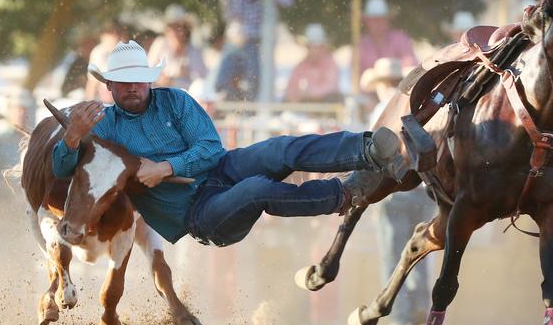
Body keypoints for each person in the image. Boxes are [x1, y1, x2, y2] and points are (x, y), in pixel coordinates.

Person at [52, 40, 404, 248]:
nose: (133, 88)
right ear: (109, 86)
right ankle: (343, 195)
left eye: (139, 81)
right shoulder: (103, 129)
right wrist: (71, 137)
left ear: (149, 81)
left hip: (221, 169)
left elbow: (211, 149)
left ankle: (368, 149)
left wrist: (167, 167)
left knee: (279, 148)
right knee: (256, 189)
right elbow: (64, 169)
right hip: (199, 215)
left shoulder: (175, 100)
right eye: (124, 82)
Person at [363, 57, 436, 325]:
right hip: (421, 189)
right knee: (419, 252)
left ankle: (401, 315)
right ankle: (420, 310)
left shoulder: (382, 113)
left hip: (391, 190)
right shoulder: (419, 108)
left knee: (393, 254)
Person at [215, 0, 294, 101]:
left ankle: (246, 110)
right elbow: (232, 18)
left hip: (252, 44)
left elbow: (288, 1)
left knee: (252, 83)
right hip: (233, 44)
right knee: (222, 80)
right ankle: (230, 105)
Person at [148, 4, 208, 90]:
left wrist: (176, 80)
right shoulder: (160, 44)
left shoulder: (194, 51)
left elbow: (201, 81)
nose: (177, 32)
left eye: (180, 27)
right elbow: (148, 73)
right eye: (172, 27)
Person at [285, 23, 340, 103]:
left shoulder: (330, 64)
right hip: (307, 104)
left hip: (325, 104)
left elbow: (330, 87)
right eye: (310, 46)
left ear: (323, 47)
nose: (313, 50)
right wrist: (295, 95)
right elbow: (291, 86)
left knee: (331, 99)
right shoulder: (302, 65)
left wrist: (310, 93)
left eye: (316, 47)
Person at [85, 20, 123, 102]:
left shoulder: (124, 51)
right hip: (106, 95)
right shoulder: (98, 52)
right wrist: (88, 103)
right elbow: (92, 81)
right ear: (103, 36)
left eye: (116, 34)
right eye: (111, 34)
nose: (114, 37)